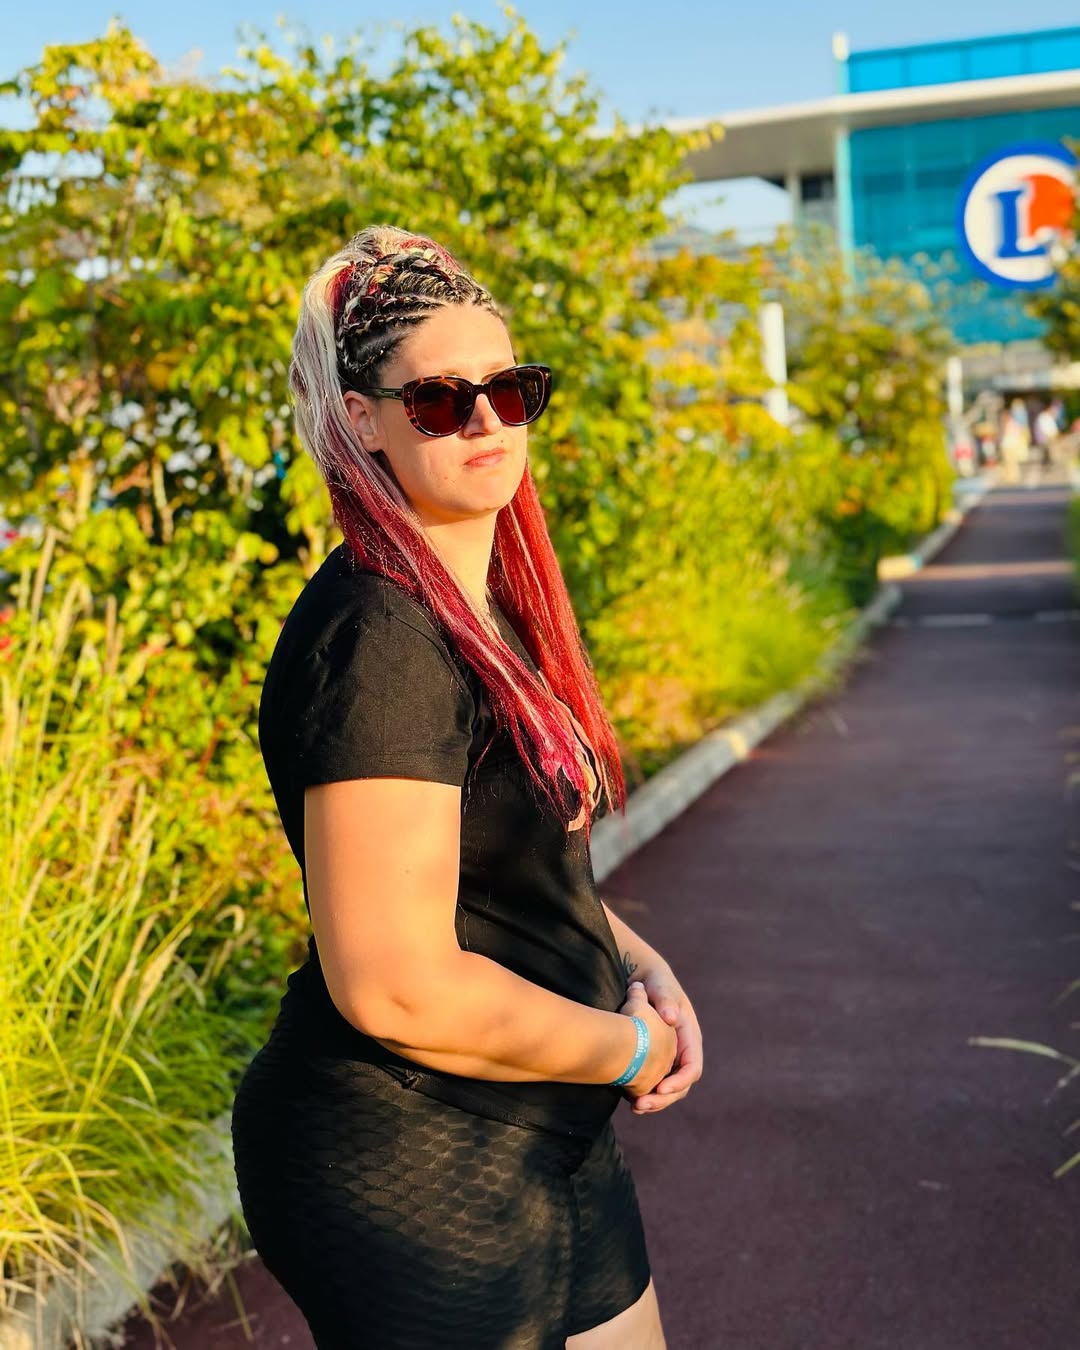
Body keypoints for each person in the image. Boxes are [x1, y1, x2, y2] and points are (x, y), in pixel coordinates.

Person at [230, 225, 703, 1350]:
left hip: (540, 1118)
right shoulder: (380, 639)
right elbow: (395, 986)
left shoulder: (479, 607)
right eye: (442, 401)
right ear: (364, 420)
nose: (487, 422)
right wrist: (631, 1049)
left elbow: (496, 865)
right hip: (413, 1150)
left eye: (511, 389)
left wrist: (636, 962)